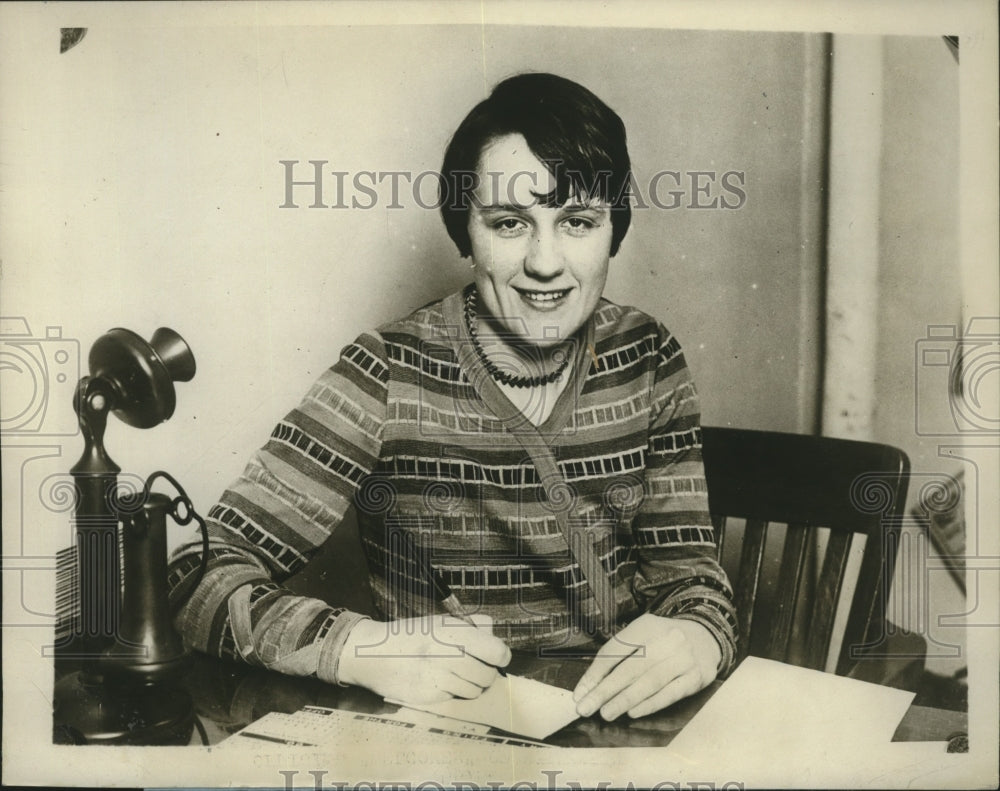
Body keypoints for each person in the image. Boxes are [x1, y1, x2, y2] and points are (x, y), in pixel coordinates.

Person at [169, 72, 737, 722]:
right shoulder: (386, 369)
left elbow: (693, 579)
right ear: (465, 232)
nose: (546, 262)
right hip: (448, 738)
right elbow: (194, 574)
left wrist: (698, 634)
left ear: (614, 230)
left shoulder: (649, 354)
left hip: (620, 733)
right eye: (508, 223)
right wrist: (355, 646)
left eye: (577, 221)